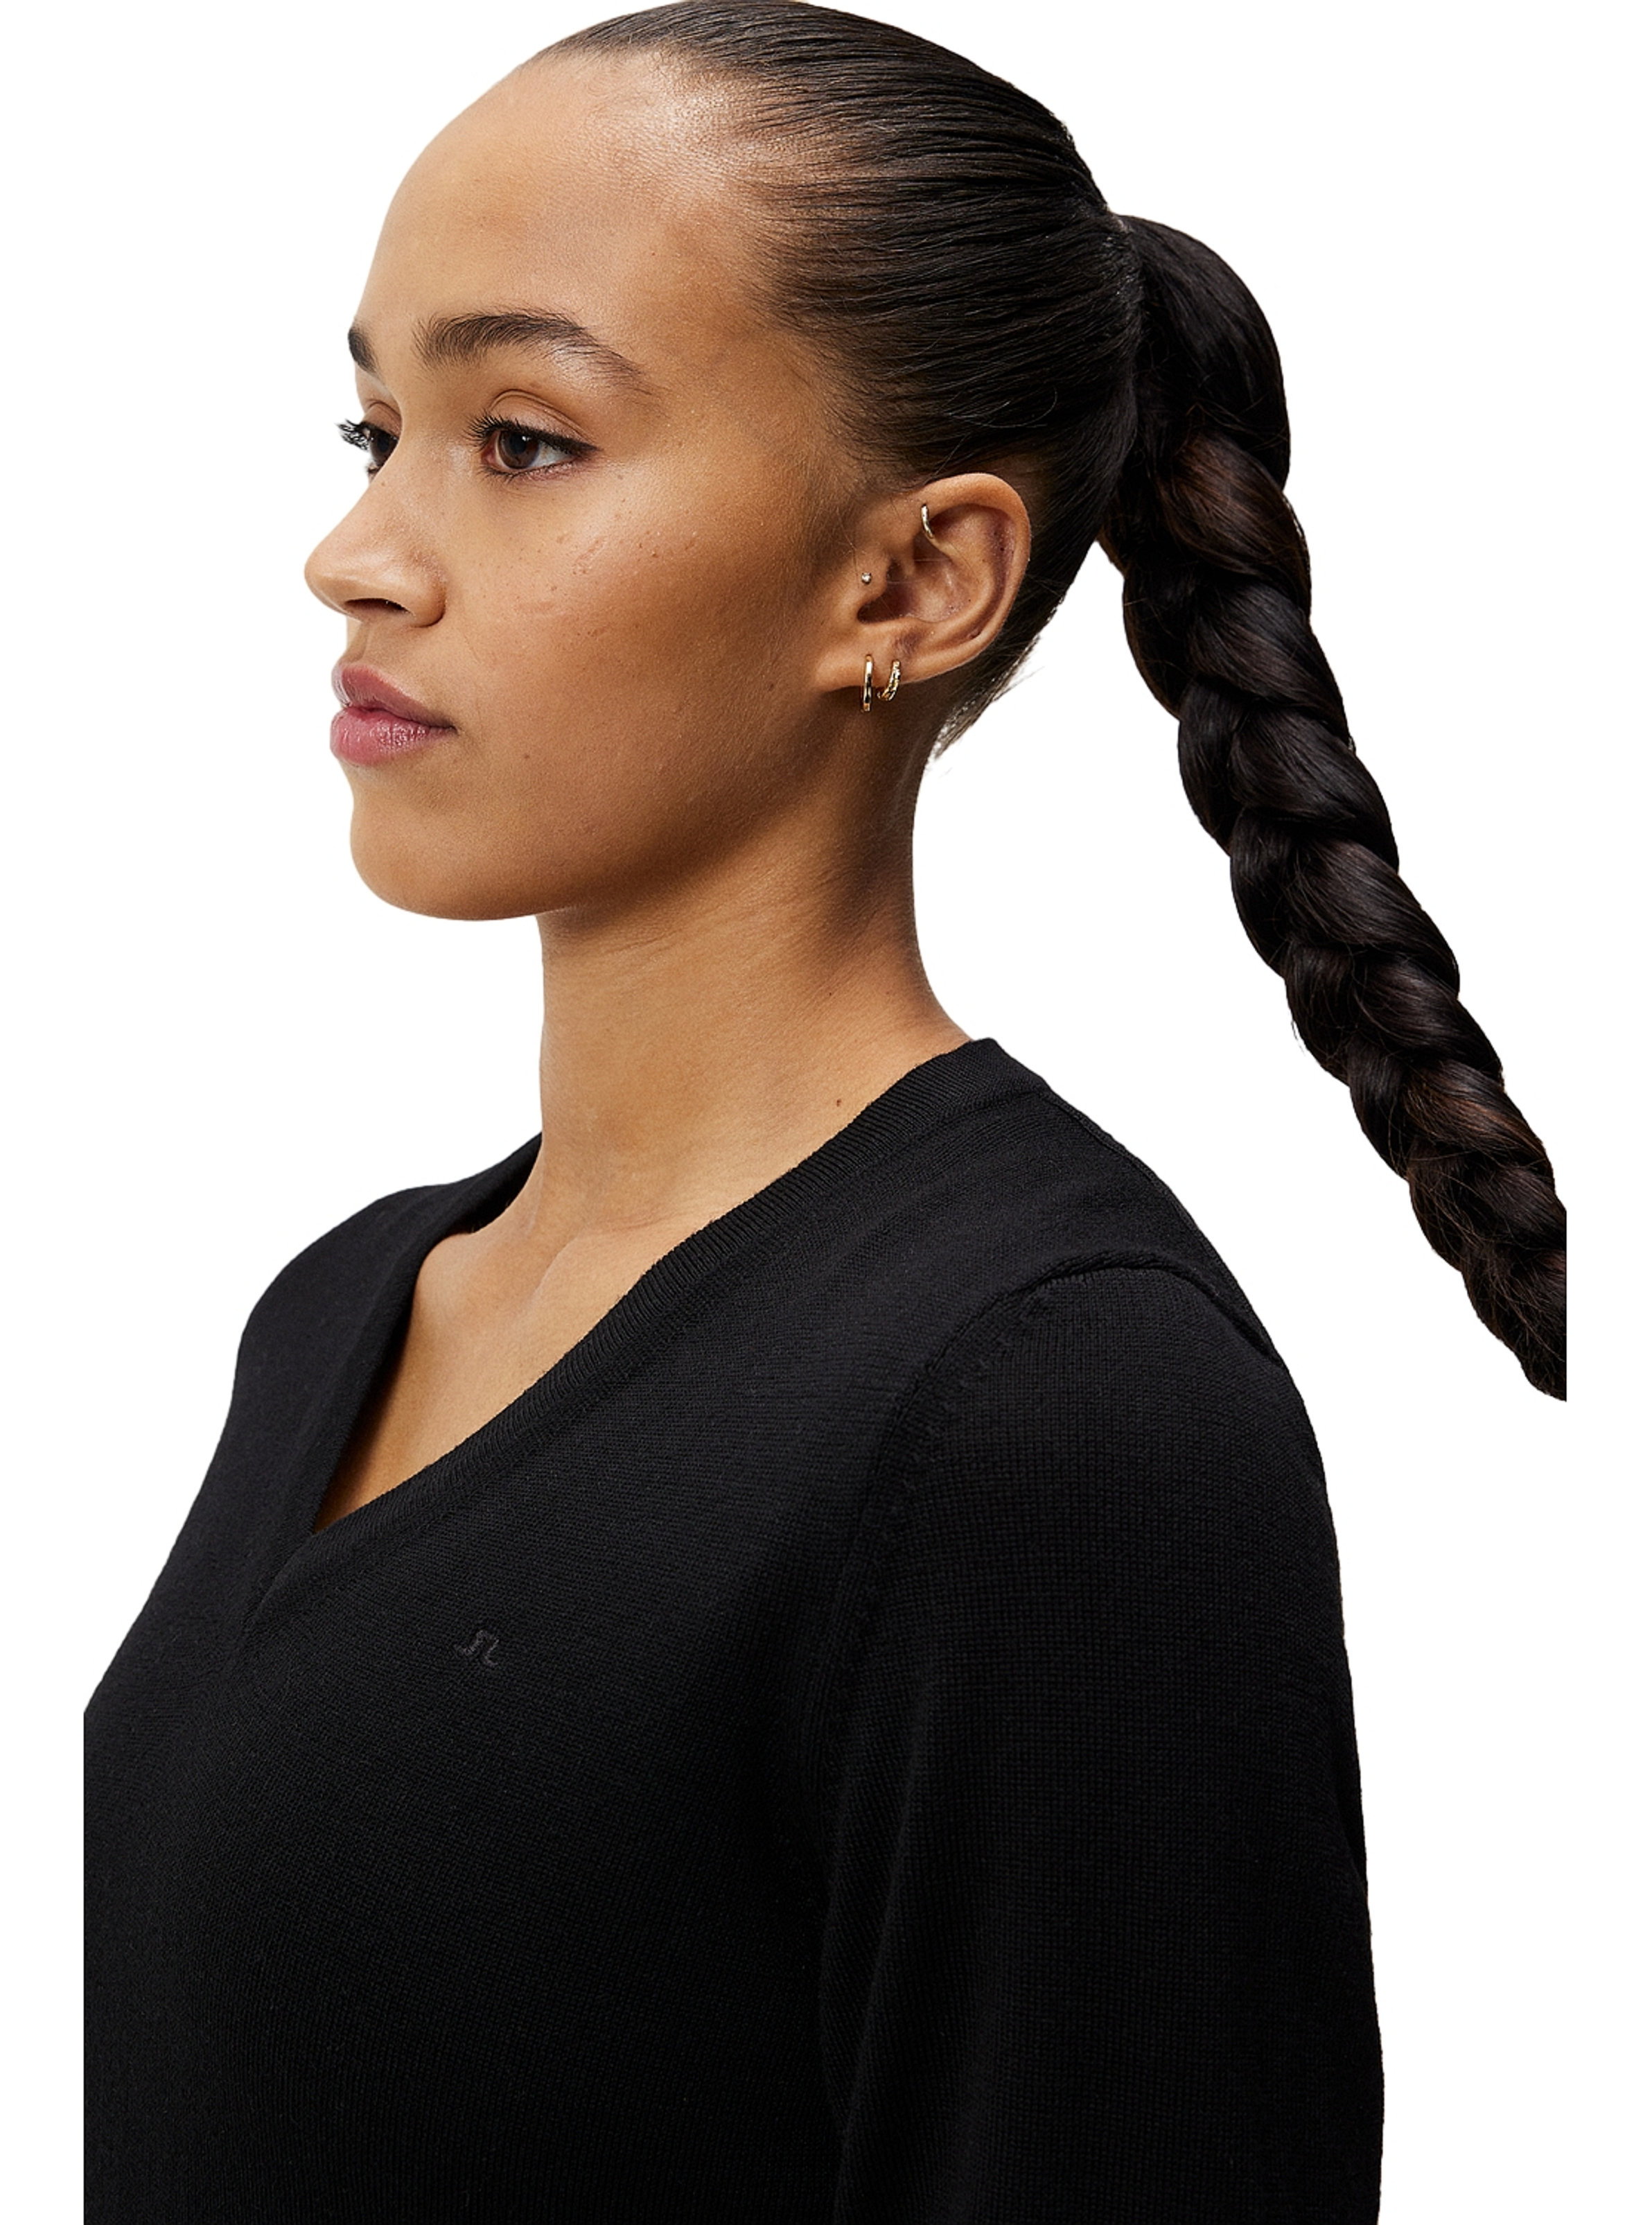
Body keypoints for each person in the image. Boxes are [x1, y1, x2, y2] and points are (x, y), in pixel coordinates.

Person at [83, 4, 1566, 2217]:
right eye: (375, 428)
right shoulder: (339, 1310)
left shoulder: (1054, 1404)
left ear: (911, 581)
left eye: (524, 440)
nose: (357, 552)